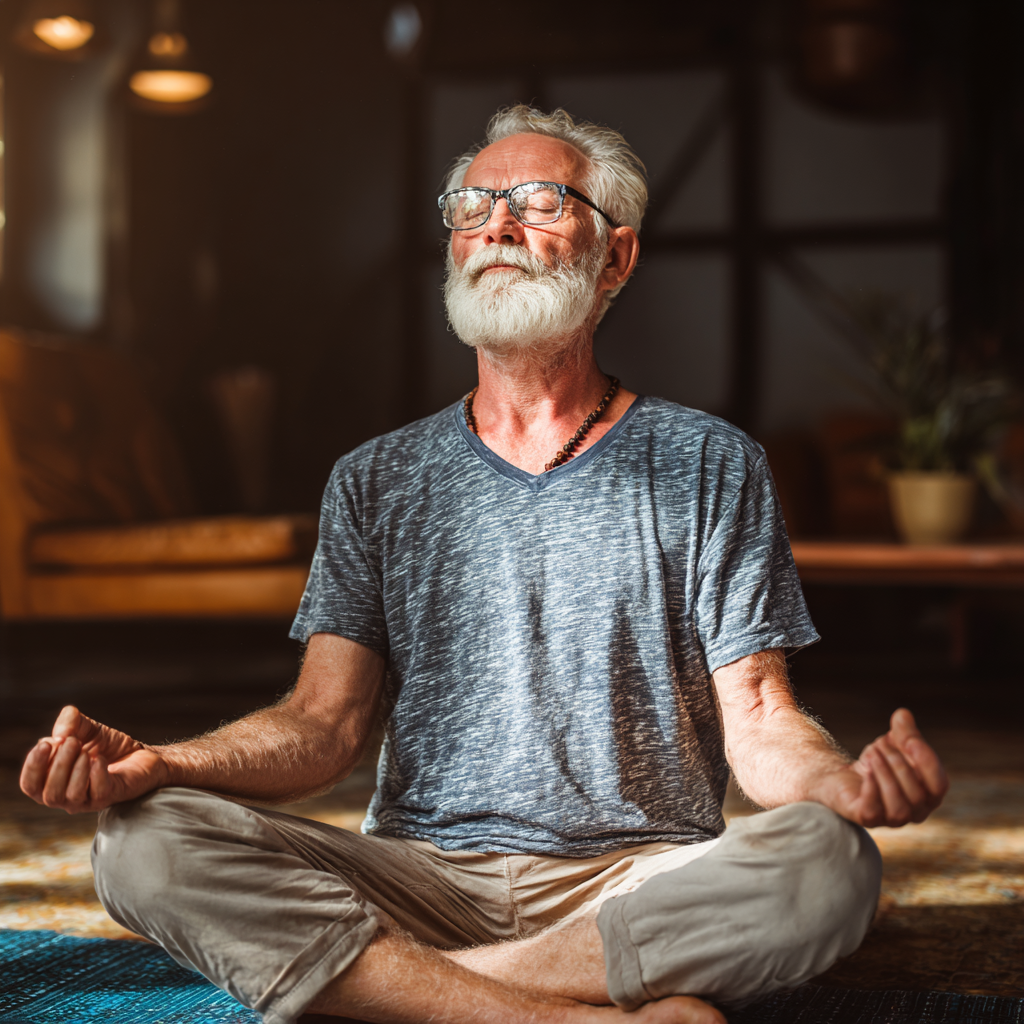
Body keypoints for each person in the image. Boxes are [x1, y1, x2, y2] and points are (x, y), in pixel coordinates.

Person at [20, 106, 948, 1024]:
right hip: (417, 873)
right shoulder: (375, 477)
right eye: (472, 206)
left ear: (615, 258)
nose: (497, 223)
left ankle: (414, 991)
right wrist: (159, 763)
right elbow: (323, 722)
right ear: (455, 248)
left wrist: (840, 786)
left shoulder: (709, 461)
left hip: (636, 880)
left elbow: (758, 718)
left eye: (541, 202)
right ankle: (568, 1012)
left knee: (832, 864)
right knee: (142, 841)